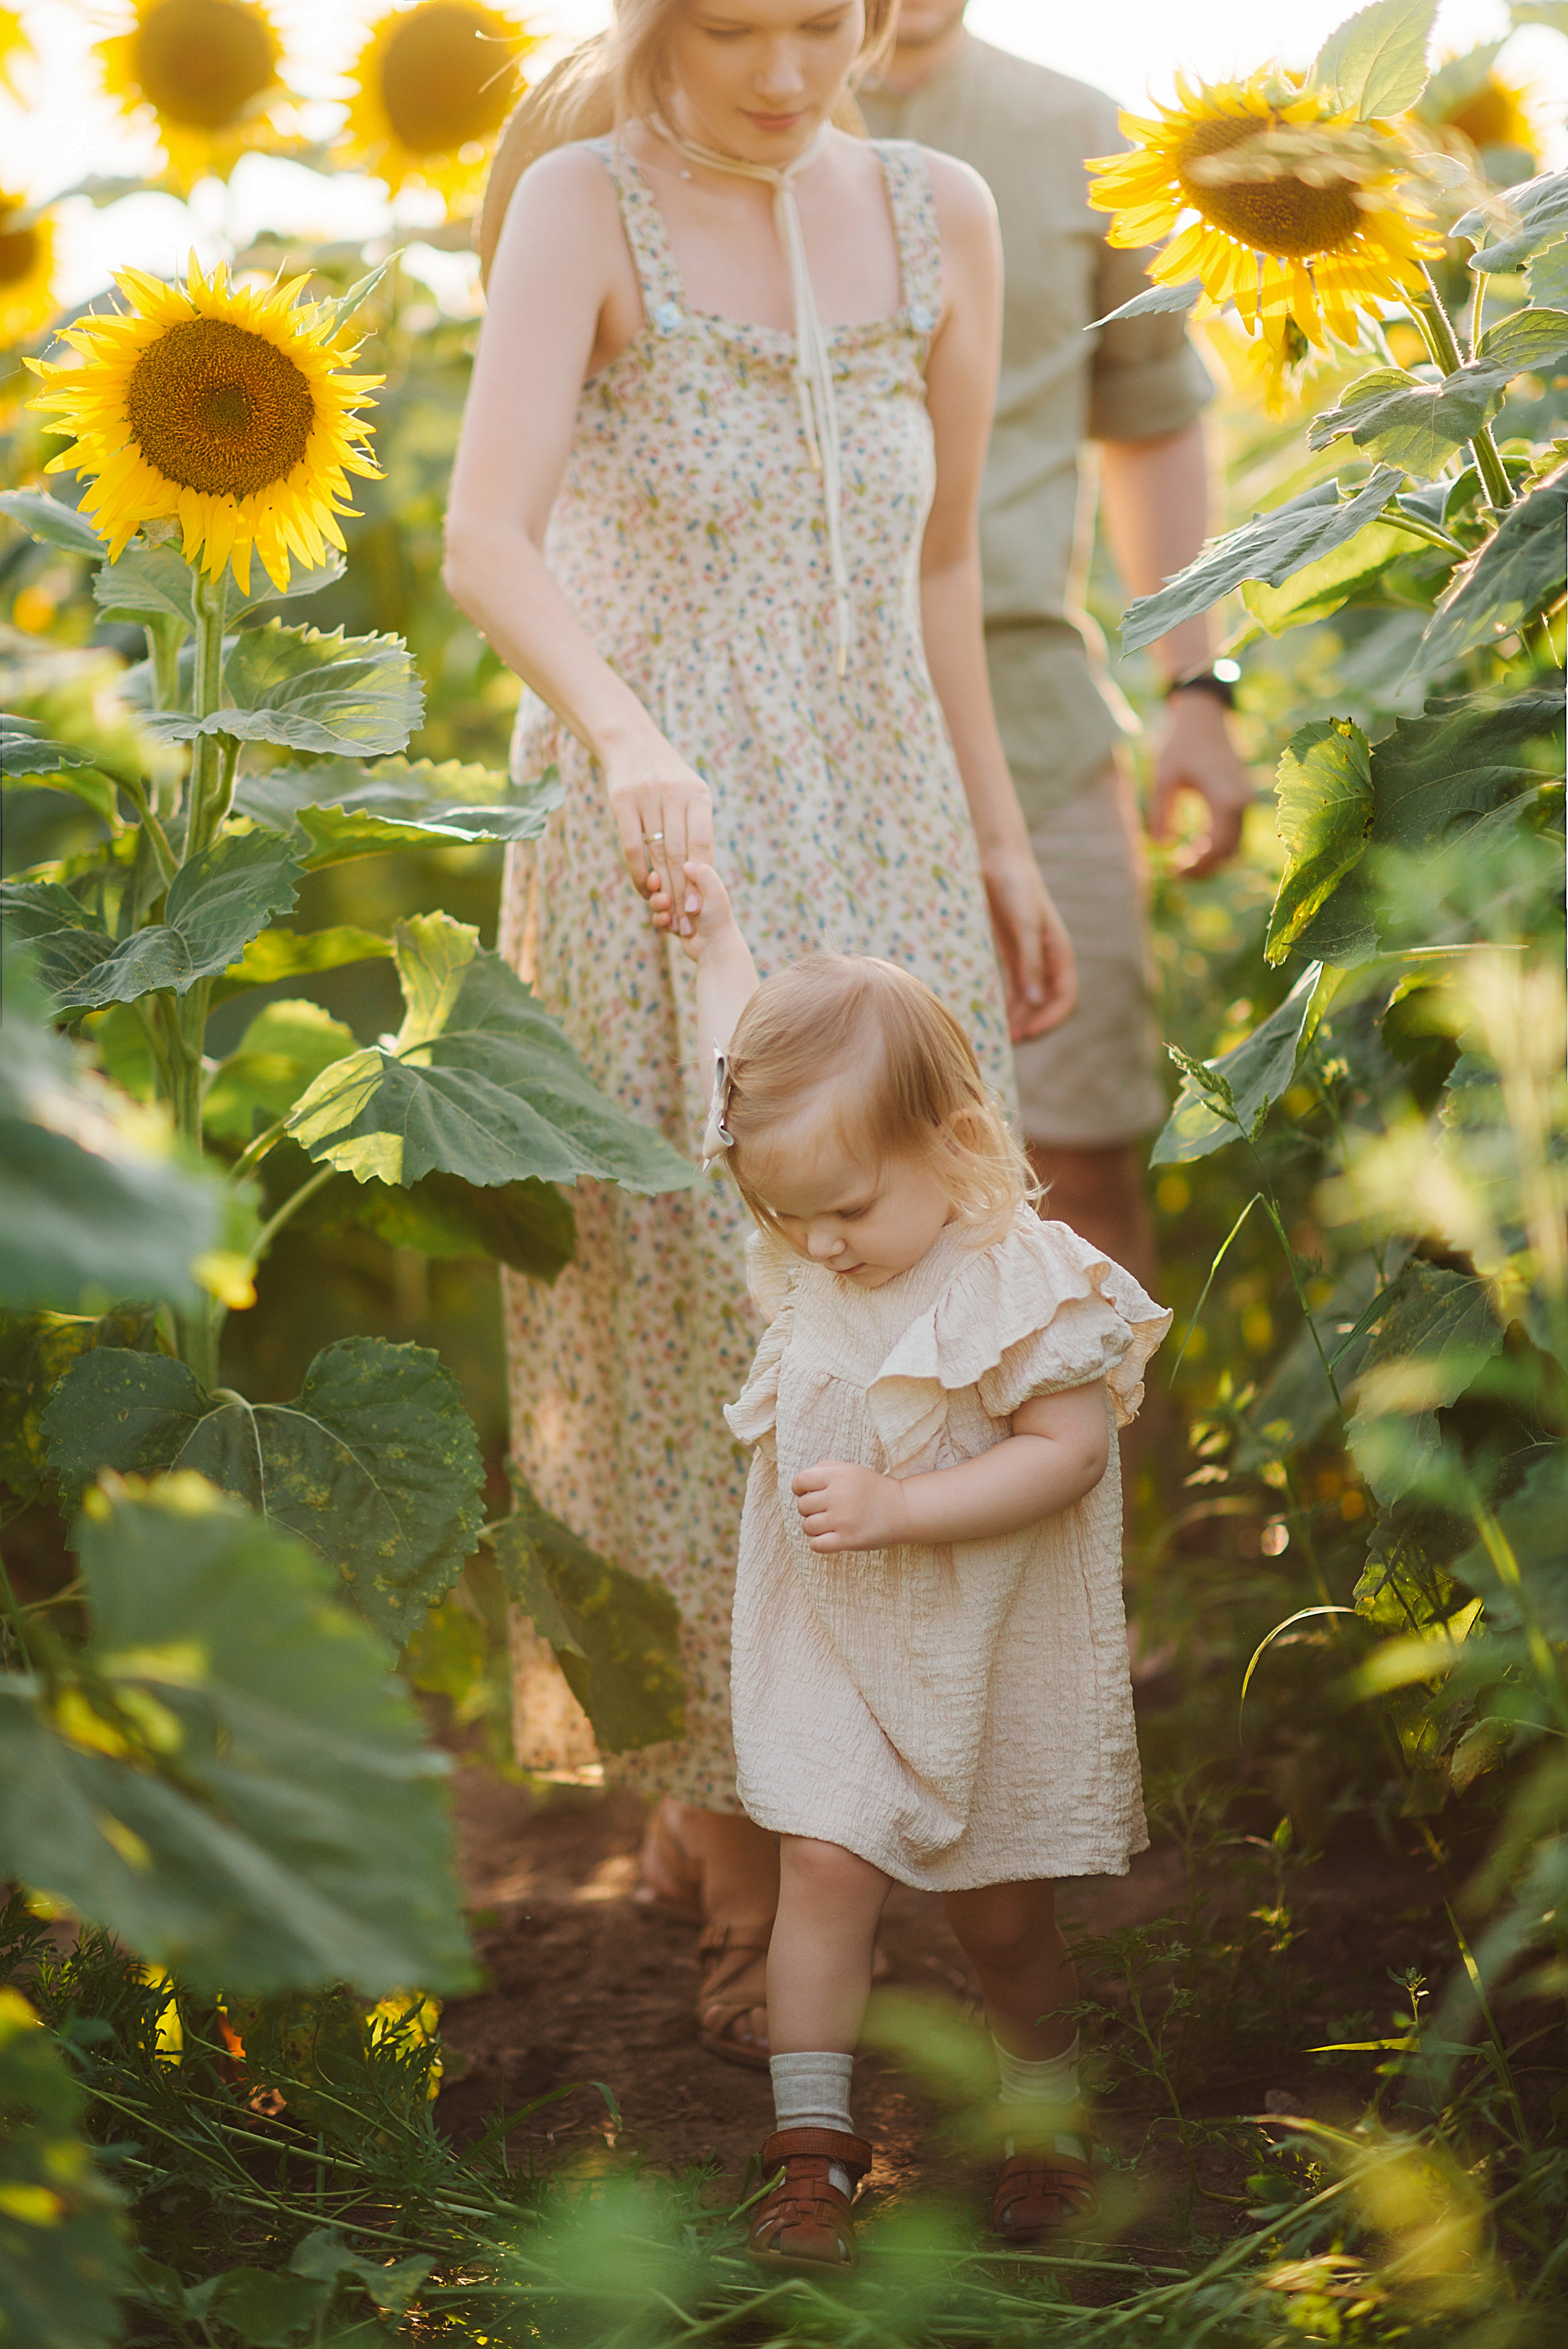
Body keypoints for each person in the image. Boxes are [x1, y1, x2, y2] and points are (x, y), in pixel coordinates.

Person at [448, 0, 1075, 2070]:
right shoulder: (584, 203)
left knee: (916, 1330)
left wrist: (1003, 841)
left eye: (828, 18)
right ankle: (742, 1886)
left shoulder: (943, 209)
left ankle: (909, 1832)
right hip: (667, 844)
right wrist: (627, 735)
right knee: (693, 1343)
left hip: (888, 830)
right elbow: (486, 537)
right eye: (734, 24)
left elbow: (942, 559)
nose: (789, 70)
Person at [649, 846, 1168, 2263]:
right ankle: (810, 2149)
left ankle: (1042, 2123)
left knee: (1001, 1921)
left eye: (844, 1209)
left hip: (981, 1646)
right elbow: (741, 1069)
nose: (817, 1242)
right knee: (818, 1866)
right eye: (788, 1212)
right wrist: (718, 931)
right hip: (836, 1640)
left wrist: (899, 1507)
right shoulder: (820, 1241)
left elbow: (1066, 1453)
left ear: (953, 1143)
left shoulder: (1017, 1282)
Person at [859, 2, 1256, 1297]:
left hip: (1031, 714)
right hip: (784, 723)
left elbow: (1151, 419)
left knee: (1076, 1170)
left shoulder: (1087, 134)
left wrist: (1195, 686)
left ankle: (1103, 1443)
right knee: (815, 1176)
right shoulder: (728, 111)